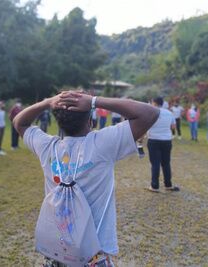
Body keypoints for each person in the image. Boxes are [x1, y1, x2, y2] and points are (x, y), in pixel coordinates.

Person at [13, 91, 159, 267]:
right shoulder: (102, 144)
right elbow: (150, 113)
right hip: (93, 256)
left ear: (59, 122)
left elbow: (19, 122)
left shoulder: (47, 147)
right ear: (90, 120)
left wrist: (48, 102)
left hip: (57, 255)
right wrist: (95, 101)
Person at [146, 97, 179, 193]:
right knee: (166, 163)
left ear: (153, 102)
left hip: (153, 140)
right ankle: (168, 185)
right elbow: (173, 126)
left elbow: (145, 125)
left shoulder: (150, 112)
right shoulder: (169, 113)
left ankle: (154, 186)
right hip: (167, 140)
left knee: (155, 163)